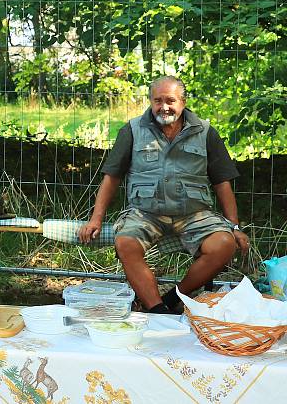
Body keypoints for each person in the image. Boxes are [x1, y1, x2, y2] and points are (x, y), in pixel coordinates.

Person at [78, 76, 249, 314]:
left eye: (170, 100)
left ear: (183, 101)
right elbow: (111, 177)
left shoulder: (206, 132)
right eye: (157, 100)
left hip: (194, 213)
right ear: (150, 101)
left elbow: (222, 182)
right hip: (145, 213)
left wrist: (233, 226)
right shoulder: (132, 130)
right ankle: (156, 309)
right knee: (126, 243)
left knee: (224, 244)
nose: (164, 107)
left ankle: (174, 297)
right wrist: (96, 218)